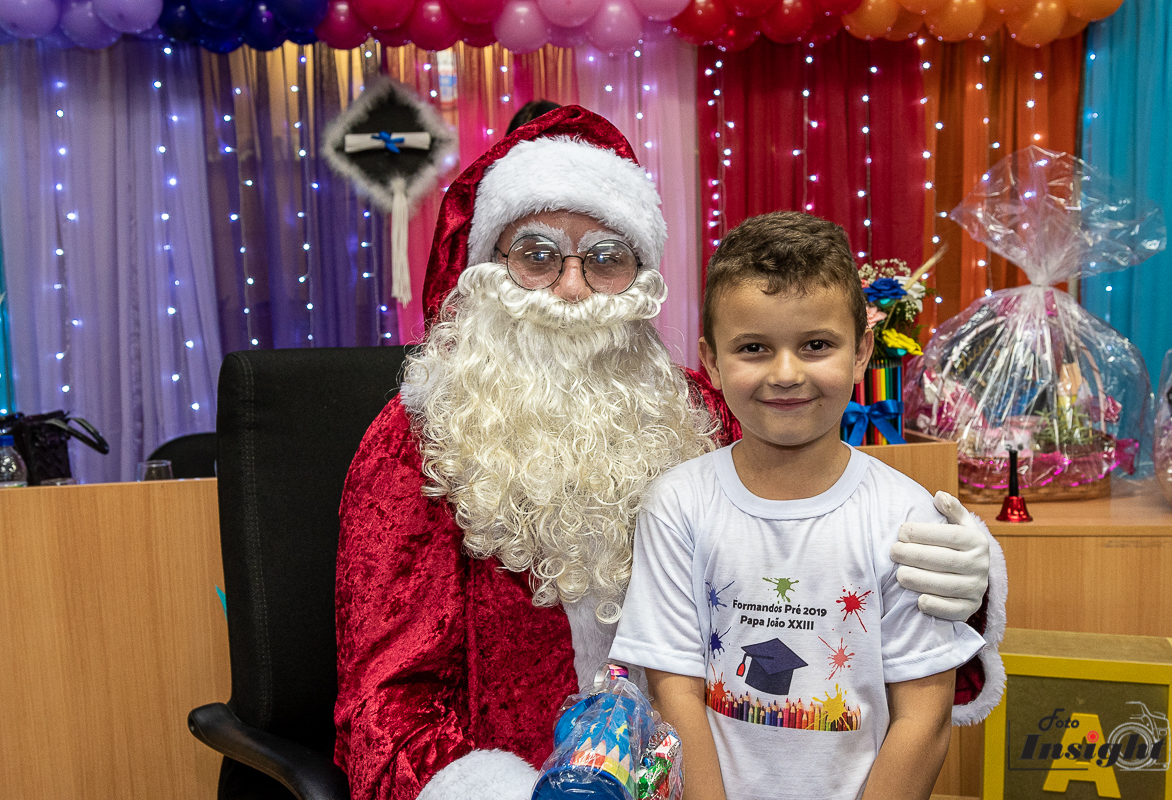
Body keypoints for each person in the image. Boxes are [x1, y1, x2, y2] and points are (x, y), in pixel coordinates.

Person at [334, 107, 1006, 800]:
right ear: (488, 267)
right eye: (536, 256)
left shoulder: (697, 403)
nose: (572, 288)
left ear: (641, 277)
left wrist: (964, 571)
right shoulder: (418, 437)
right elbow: (384, 703)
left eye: (606, 260)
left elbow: (827, 529)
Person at [610, 212, 986, 800]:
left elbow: (924, 716)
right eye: (753, 348)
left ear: (862, 352)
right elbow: (673, 690)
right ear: (712, 361)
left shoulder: (907, 517)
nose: (785, 374)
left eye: (816, 345)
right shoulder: (678, 504)